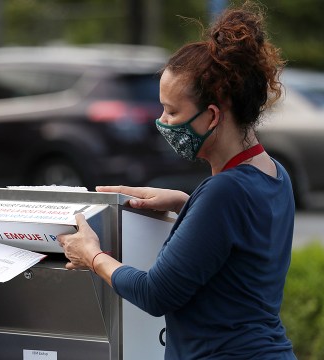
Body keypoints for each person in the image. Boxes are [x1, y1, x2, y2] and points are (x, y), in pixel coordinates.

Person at [58, 3, 297, 359]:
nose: (162, 121)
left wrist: (92, 255)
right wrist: (187, 203)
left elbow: (156, 293)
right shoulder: (275, 175)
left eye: (172, 111)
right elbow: (242, 242)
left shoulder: (224, 192)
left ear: (212, 116)